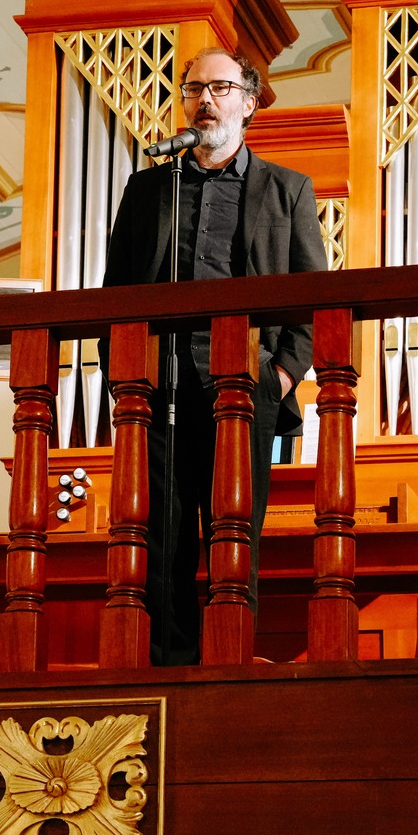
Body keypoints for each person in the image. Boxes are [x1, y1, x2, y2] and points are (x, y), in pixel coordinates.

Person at [102, 45, 329, 665]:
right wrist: (124, 380)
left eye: (221, 88)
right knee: (160, 544)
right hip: (157, 393)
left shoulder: (288, 189)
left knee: (233, 539)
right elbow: (116, 290)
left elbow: (312, 296)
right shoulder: (148, 188)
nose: (206, 99)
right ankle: (169, 673)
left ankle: (229, 667)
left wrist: (280, 375)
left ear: (249, 102)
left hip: (243, 392)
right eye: (194, 87)